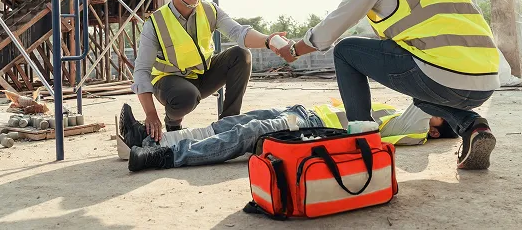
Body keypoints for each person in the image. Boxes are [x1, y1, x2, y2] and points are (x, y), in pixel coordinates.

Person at [273, 0, 499, 170]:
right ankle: (473, 126)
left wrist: (294, 49)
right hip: (486, 77)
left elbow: (332, 27)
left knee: (345, 50)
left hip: (440, 75)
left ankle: (362, 138)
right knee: (421, 93)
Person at [132, 0, 285, 142]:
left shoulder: (209, 10)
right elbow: (141, 71)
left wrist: (268, 40)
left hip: (202, 75)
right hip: (170, 83)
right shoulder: (156, 23)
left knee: (241, 55)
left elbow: (238, 32)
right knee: (187, 96)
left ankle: (228, 122)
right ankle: (173, 121)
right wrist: (150, 114)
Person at [117, 101, 457, 172]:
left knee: (247, 134)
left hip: (310, 131)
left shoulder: (414, 129)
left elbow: (425, 100)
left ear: (436, 125)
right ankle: (149, 140)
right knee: (231, 123)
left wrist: (461, 114)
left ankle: (163, 157)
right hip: (305, 111)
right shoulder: (404, 120)